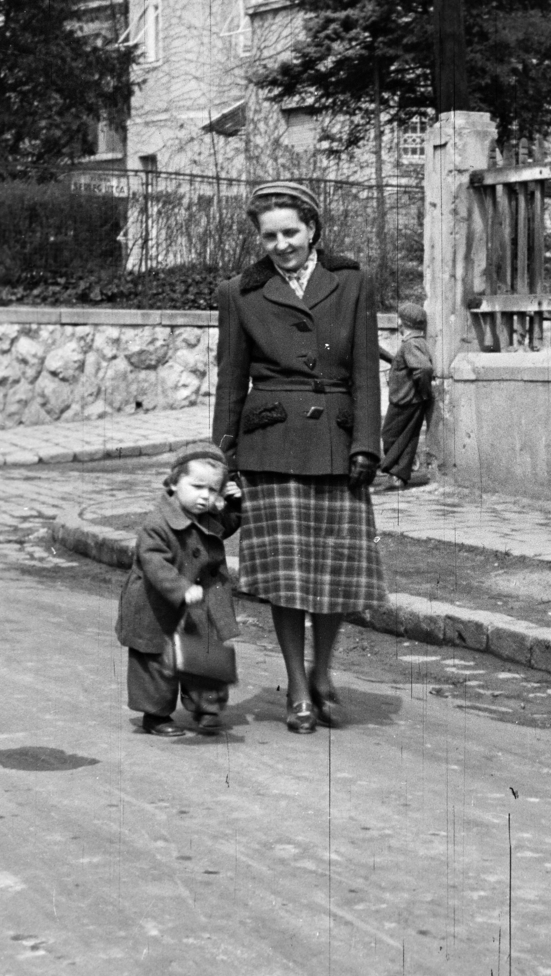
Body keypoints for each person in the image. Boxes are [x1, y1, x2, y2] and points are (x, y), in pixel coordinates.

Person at [213, 180, 386, 734]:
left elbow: (364, 370)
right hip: (272, 445)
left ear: (313, 229)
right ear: (259, 238)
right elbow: (230, 380)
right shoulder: (239, 292)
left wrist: (366, 443)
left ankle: (324, 672)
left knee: (333, 571)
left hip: (336, 445)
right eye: (270, 235)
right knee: (288, 577)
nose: (282, 244)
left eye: (291, 231)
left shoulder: (354, 282)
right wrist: (224, 459)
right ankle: (298, 688)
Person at [116, 442, 242, 737]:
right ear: (173, 483)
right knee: (156, 660)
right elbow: (153, 562)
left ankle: (206, 708)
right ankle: (155, 714)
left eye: (213, 490)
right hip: (157, 603)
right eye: (197, 487)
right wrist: (180, 587)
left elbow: (225, 526)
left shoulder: (207, 515)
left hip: (200, 601)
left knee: (206, 652)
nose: (205, 497)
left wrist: (234, 504)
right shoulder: (157, 523)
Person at [378, 302, 434, 488]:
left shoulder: (410, 345)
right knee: (407, 437)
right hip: (410, 399)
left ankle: (396, 472)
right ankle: (399, 475)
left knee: (390, 435)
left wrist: (423, 390)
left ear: (403, 323)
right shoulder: (419, 342)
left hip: (405, 400)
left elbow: (424, 368)